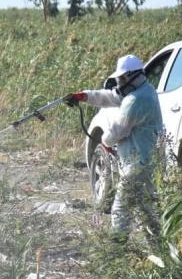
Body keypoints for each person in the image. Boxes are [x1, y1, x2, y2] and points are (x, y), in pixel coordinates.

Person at [64, 55, 164, 240]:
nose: (119, 84)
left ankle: (118, 246)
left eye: (121, 79)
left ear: (132, 76)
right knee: (147, 208)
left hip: (139, 162)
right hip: (143, 160)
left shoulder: (137, 100)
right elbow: (109, 97)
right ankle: (160, 246)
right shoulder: (142, 91)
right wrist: (84, 96)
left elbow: (119, 130)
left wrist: (105, 141)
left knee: (121, 207)